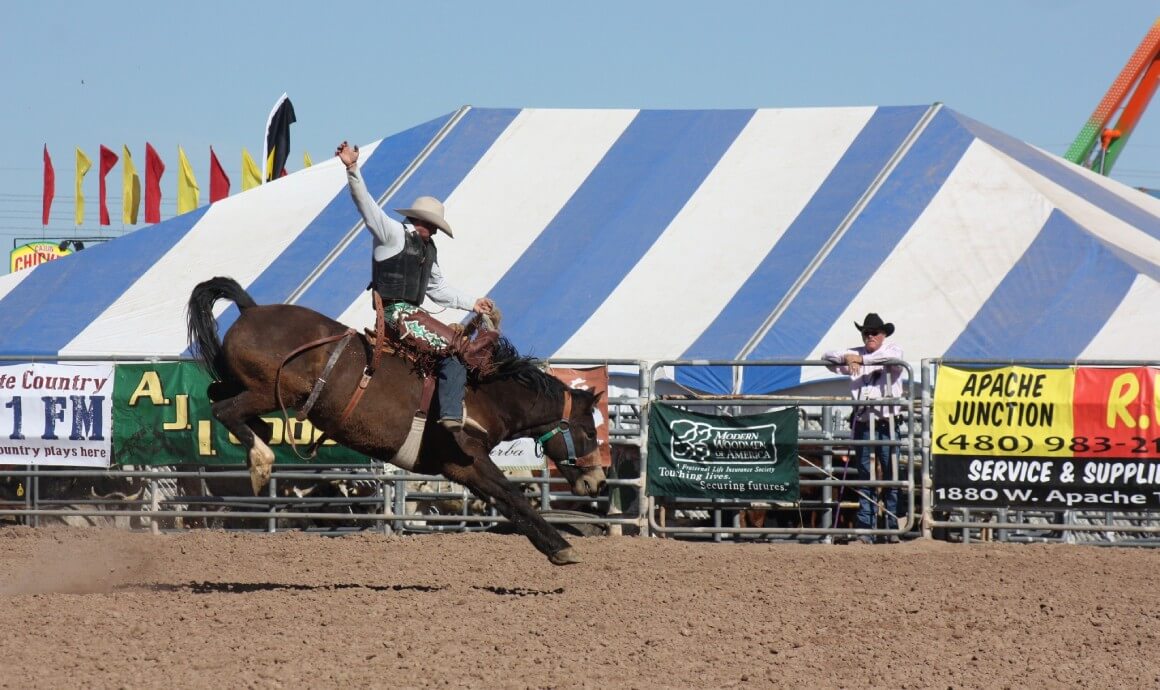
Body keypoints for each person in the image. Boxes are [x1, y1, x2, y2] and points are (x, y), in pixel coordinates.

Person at [336, 141, 495, 434]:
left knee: (454, 348)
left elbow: (438, 288)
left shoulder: (428, 248)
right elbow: (367, 206)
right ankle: (450, 415)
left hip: (414, 316)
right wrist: (352, 169)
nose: (432, 229)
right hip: (398, 316)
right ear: (416, 219)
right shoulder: (392, 234)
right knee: (457, 350)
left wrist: (472, 303)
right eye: (429, 224)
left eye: (434, 226)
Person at [823, 312, 905, 544]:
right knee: (866, 477)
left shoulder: (892, 350)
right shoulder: (855, 354)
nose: (870, 336)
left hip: (886, 422)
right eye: (866, 332)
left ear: (883, 335)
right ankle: (865, 530)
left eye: (874, 333)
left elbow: (889, 359)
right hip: (864, 421)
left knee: (891, 476)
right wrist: (849, 357)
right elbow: (827, 356)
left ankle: (892, 529)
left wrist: (858, 360)